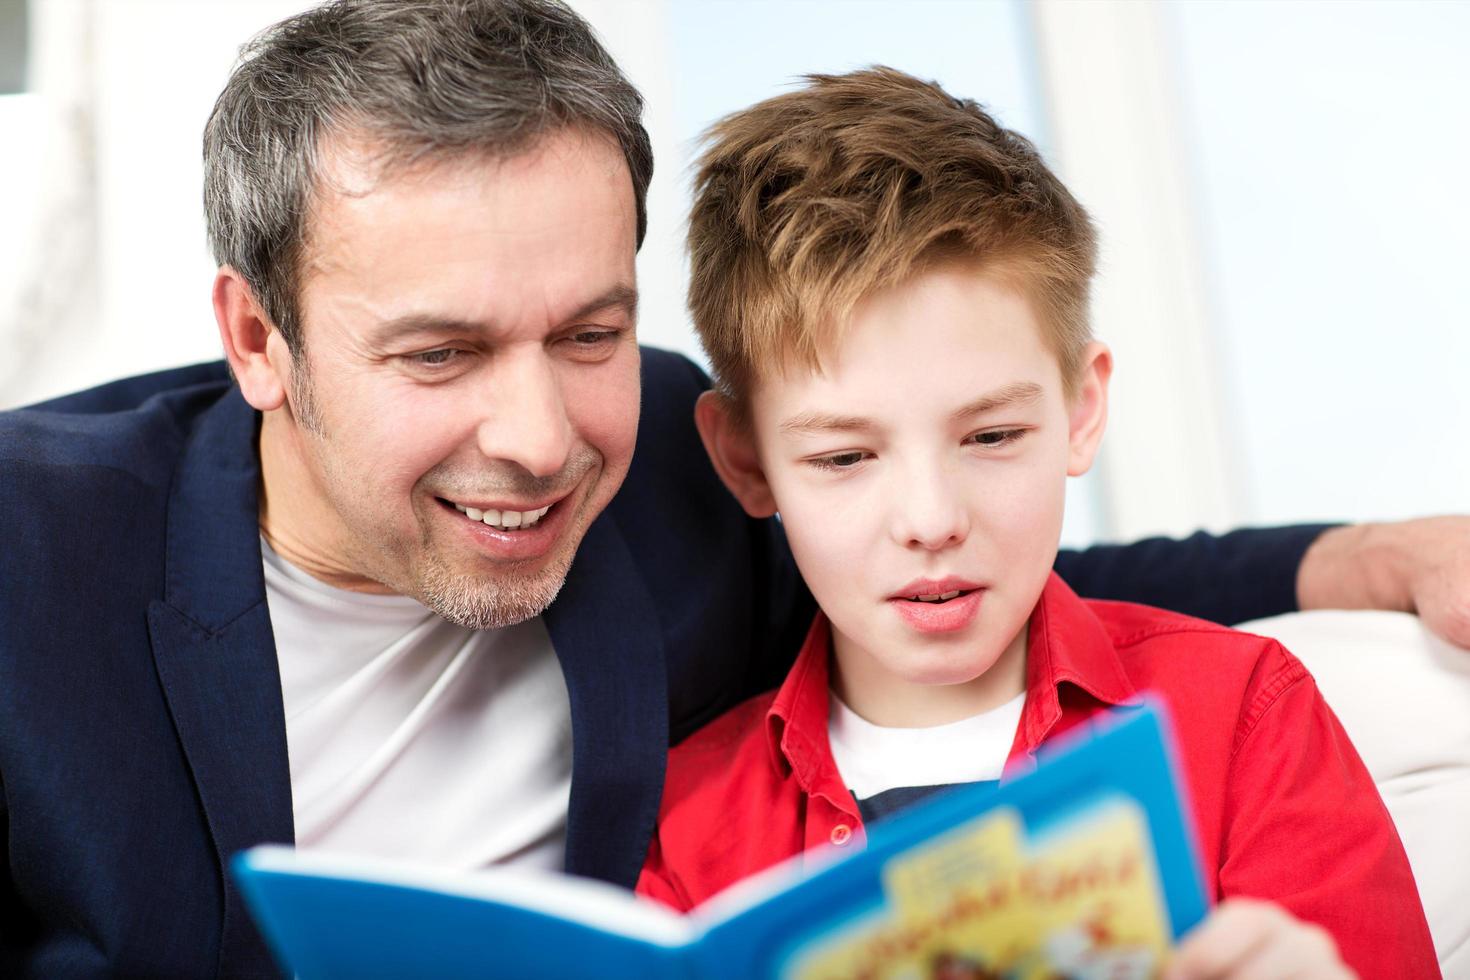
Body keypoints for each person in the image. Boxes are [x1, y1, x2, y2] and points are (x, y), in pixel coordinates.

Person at [0, 2, 1463, 977]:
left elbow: (986, 548)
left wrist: (1366, 551)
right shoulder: (29, 558)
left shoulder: (679, 471)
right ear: (259, 338)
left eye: (589, 333)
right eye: (440, 354)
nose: (537, 438)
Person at [634, 68, 1438, 980]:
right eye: (845, 458)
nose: (932, 521)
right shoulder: (682, 826)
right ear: (745, 459)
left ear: (1081, 410)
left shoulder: (1246, 717)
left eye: (991, 435)